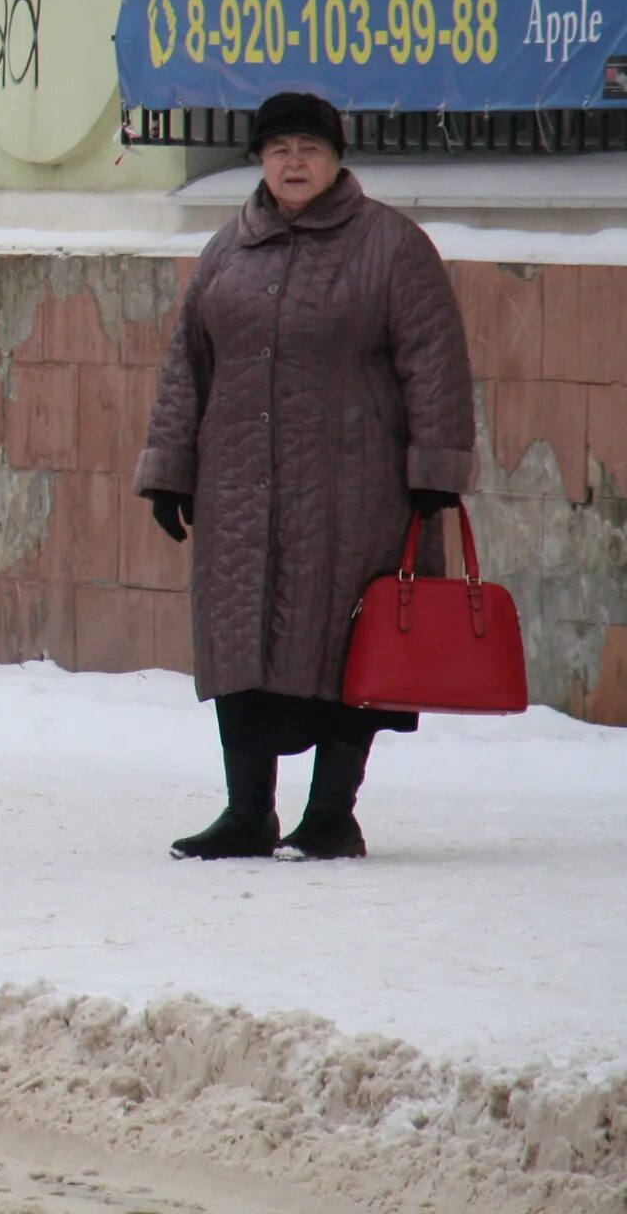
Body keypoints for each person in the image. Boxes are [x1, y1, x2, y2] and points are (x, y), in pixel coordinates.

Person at [137, 90, 475, 863]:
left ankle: (331, 815)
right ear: (259, 159)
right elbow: (187, 368)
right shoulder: (229, 248)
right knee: (238, 640)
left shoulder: (390, 246)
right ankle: (246, 812)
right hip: (238, 493)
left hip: (356, 495)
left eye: (310, 149)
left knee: (347, 648)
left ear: (336, 159)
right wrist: (169, 471)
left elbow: (436, 364)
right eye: (280, 147)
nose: (295, 161)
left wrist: (435, 474)